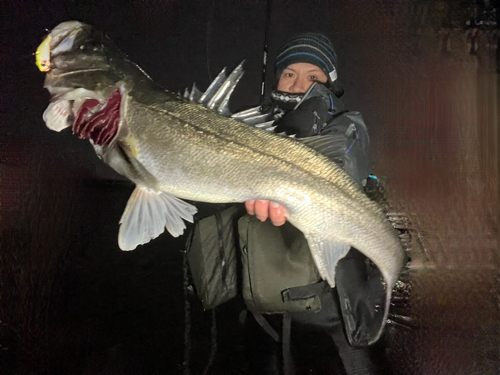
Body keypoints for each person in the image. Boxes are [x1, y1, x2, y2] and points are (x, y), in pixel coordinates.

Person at [186, 33, 392, 375]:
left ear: (330, 85)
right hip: (260, 310)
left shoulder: (347, 125)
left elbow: (342, 168)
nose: (298, 85)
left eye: (313, 77)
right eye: (288, 74)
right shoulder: (250, 127)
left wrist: (289, 130)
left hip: (329, 314)